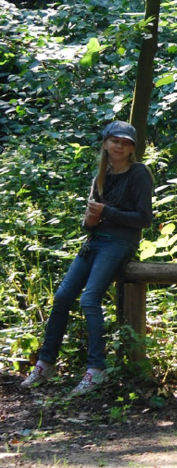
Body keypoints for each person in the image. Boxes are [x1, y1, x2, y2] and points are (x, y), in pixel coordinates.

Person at [21, 121, 153, 397]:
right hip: (93, 243)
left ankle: (96, 369)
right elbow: (89, 225)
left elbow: (143, 219)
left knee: (89, 299)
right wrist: (92, 218)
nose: (120, 146)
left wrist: (106, 212)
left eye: (126, 142)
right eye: (115, 141)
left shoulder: (139, 173)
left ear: (132, 149)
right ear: (105, 143)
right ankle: (46, 364)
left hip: (118, 244)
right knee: (62, 297)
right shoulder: (101, 177)